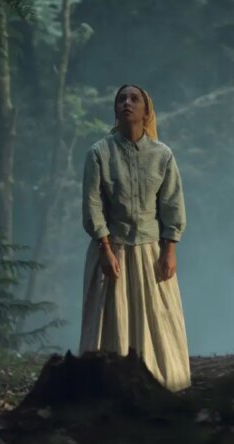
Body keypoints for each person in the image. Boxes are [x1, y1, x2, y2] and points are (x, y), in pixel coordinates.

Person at [79, 84, 191, 392]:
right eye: (121, 99)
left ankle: (162, 381)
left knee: (156, 315)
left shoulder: (162, 155)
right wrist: (104, 248)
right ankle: (106, 386)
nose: (126, 103)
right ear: (115, 109)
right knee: (111, 316)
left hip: (150, 251)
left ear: (146, 110)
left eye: (134, 99)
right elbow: (92, 204)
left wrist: (169, 250)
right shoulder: (99, 153)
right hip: (111, 248)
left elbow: (172, 204)